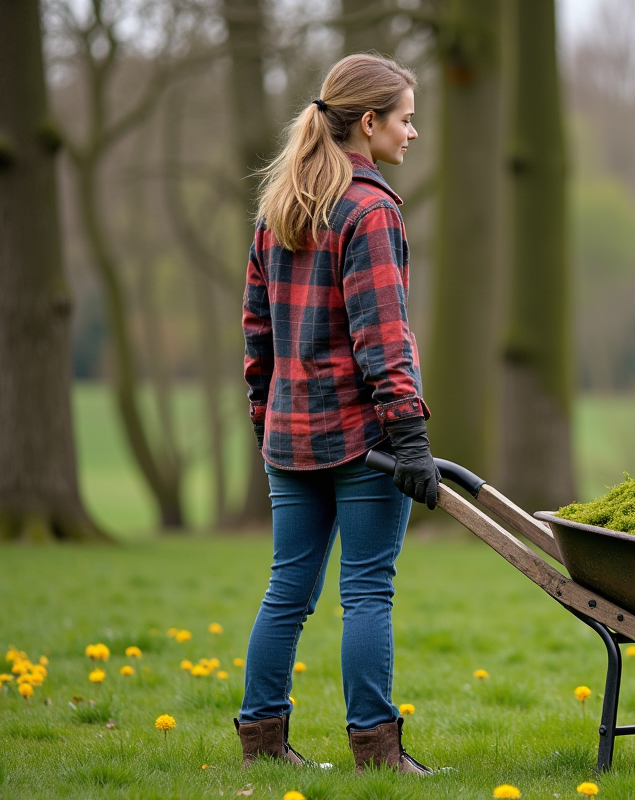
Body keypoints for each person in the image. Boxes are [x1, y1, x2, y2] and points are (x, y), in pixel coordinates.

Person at [237, 53, 437, 776]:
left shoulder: (279, 207)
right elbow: (382, 335)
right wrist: (409, 435)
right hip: (364, 441)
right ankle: (377, 756)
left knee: (287, 589)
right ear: (371, 121)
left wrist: (267, 418)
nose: (413, 133)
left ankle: (261, 742)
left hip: (288, 437)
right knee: (366, 592)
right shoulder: (370, 209)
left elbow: (255, 331)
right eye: (406, 118)